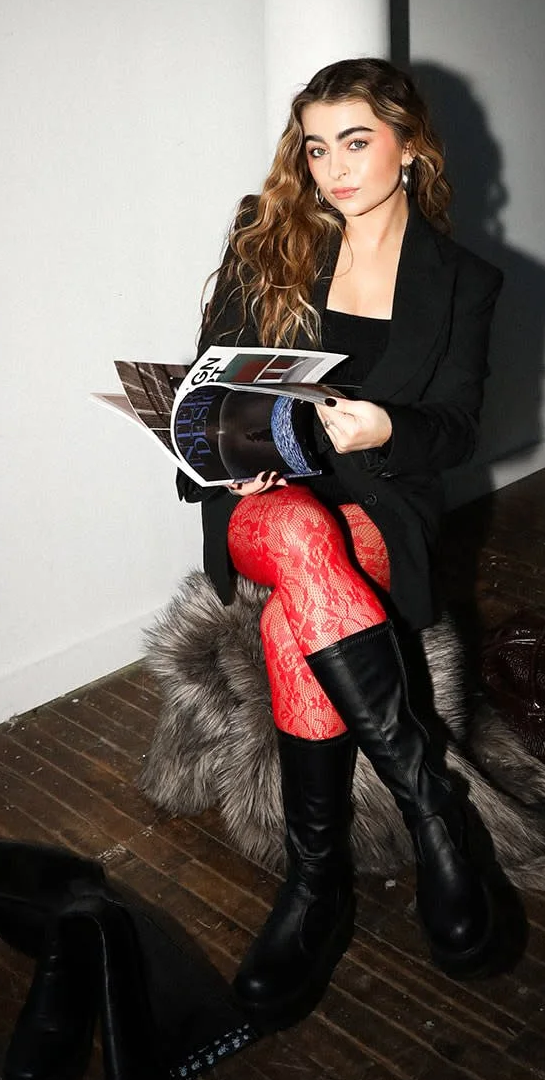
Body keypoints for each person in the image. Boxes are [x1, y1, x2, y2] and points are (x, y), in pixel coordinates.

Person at [178, 57, 503, 1028]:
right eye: (316, 147)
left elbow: (454, 427)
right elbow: (210, 378)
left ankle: (313, 890)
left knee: (300, 609)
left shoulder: (462, 281)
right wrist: (226, 448)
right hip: (258, 499)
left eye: (355, 141)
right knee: (291, 528)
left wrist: (385, 429)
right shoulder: (267, 236)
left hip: (375, 502)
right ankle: (430, 803)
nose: (332, 167)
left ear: (410, 145)